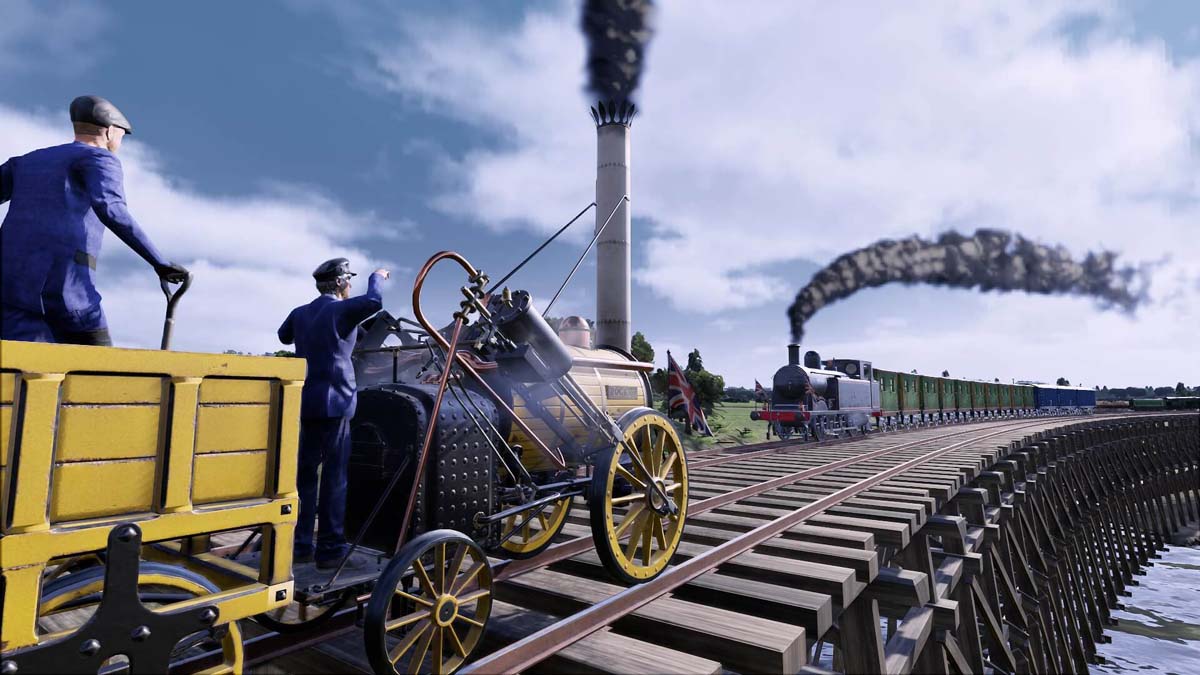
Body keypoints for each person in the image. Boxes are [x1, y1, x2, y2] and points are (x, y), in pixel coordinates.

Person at [0, 95, 189, 345]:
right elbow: (111, 209)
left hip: (10, 290)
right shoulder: (100, 159)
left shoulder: (26, 162)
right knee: (100, 373)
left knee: (23, 376)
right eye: (122, 135)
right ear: (109, 132)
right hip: (67, 292)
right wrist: (160, 263)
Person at [279, 258, 389, 569]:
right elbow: (373, 301)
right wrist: (376, 276)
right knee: (335, 478)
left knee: (304, 477)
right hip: (337, 403)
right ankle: (329, 549)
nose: (350, 285)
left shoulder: (301, 313)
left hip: (307, 403)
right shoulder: (340, 310)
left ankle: (300, 545)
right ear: (341, 283)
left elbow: (283, 335)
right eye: (349, 281)